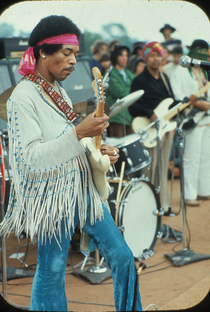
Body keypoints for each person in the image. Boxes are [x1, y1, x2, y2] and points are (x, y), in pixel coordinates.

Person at [0, 15, 143, 311]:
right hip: (53, 198)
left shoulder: (58, 91)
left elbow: (71, 140)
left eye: (76, 55)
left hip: (83, 190)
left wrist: (102, 149)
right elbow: (29, 159)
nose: (73, 61)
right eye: (66, 53)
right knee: (51, 272)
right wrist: (80, 132)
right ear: (42, 51)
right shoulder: (22, 97)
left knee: (123, 257)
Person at [129, 41, 177, 212]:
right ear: (146, 58)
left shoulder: (164, 78)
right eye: (153, 56)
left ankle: (163, 204)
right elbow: (133, 107)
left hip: (165, 129)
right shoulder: (139, 80)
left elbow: (170, 102)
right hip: (149, 129)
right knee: (150, 169)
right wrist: (150, 113)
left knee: (163, 168)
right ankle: (146, 206)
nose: (156, 59)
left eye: (159, 55)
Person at [170, 39, 210, 206]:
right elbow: (177, 96)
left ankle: (204, 190)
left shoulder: (204, 71)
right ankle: (189, 195)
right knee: (191, 157)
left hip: (207, 118)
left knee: (205, 157)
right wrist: (195, 103)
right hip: (191, 118)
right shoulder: (179, 72)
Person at [105, 45, 134, 137]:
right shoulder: (110, 73)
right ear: (116, 57)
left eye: (126, 55)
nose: (124, 58)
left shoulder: (129, 73)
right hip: (116, 117)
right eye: (121, 55)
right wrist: (132, 90)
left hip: (129, 116)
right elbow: (119, 92)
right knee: (118, 146)